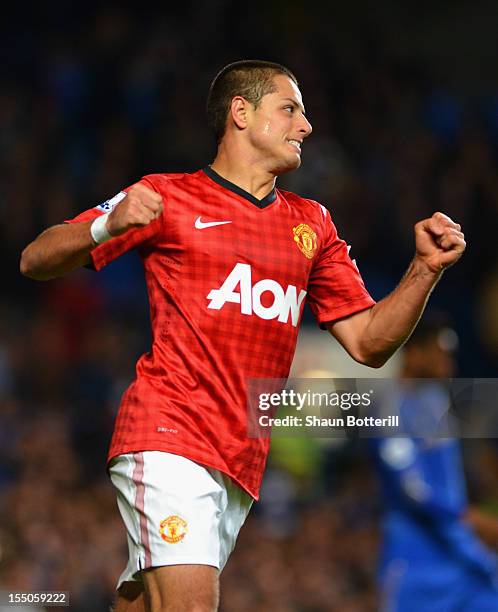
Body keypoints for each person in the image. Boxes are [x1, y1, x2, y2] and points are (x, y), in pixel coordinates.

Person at [20, 60, 466, 612]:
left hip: (239, 461)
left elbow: (370, 343)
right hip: (168, 434)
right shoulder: (168, 196)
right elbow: (35, 259)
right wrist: (105, 224)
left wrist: (425, 269)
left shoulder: (313, 225)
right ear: (241, 113)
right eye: (290, 109)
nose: (305, 126)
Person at [370, 314, 498, 611]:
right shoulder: (388, 408)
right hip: (416, 560)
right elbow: (413, 489)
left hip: (463, 556)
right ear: (413, 352)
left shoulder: (436, 402)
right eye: (439, 352)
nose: (448, 363)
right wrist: (472, 518)